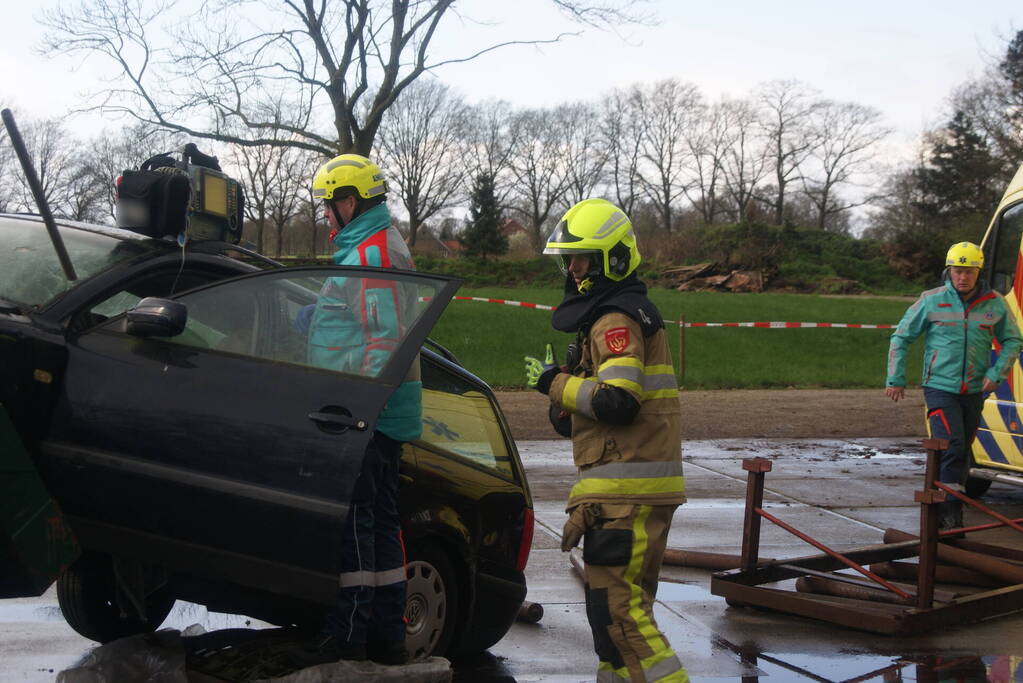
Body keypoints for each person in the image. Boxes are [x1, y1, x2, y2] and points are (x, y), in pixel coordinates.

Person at [524, 198, 689, 683]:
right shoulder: (609, 315)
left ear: (610, 260)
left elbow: (619, 402)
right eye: (568, 260)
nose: (572, 270)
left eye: (580, 259)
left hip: (628, 494)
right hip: (620, 490)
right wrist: (566, 397)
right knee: (610, 623)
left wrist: (554, 383)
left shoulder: (615, 319)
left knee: (622, 617)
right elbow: (587, 415)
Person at [299, 153, 421, 666]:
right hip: (378, 414)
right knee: (379, 525)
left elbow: (383, 341)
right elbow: (367, 323)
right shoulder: (375, 245)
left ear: (348, 202)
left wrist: (359, 413)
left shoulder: (371, 254)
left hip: (364, 415)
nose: (325, 215)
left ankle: (349, 635)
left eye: (328, 205)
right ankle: (387, 636)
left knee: (357, 526)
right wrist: (320, 318)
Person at [885, 241, 1022, 529]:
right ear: (948, 271)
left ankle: (944, 508)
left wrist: (997, 373)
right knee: (952, 445)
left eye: (969, 272)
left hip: (975, 390)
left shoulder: (995, 303)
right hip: (939, 387)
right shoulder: (931, 300)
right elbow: (901, 338)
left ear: (979, 272)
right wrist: (896, 379)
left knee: (962, 451)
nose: (963, 277)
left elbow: (1013, 340)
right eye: (958, 271)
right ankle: (949, 516)